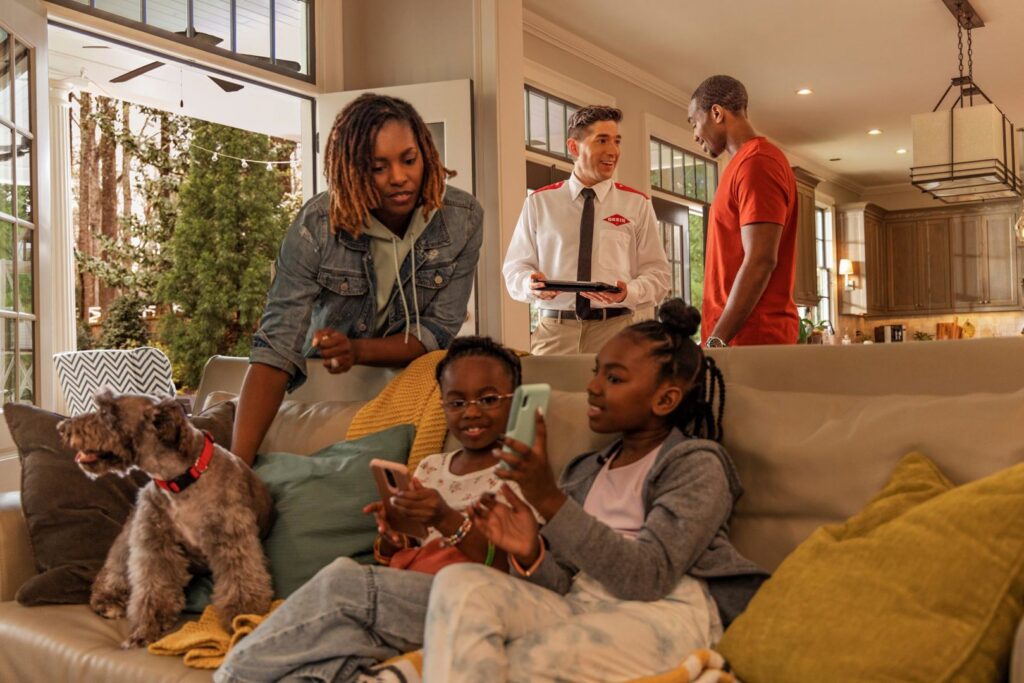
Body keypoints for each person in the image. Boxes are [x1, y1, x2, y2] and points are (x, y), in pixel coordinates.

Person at [421, 299, 768, 683]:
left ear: (665, 399)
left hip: (664, 611)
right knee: (459, 585)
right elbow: (562, 583)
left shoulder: (697, 465)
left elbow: (649, 576)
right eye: (596, 372)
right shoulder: (585, 471)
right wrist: (532, 553)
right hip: (581, 603)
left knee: (518, 662)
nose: (593, 386)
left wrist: (549, 500)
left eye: (614, 378)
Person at [216, 337, 538, 683]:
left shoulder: (523, 473)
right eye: (456, 402)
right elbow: (403, 552)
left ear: (517, 401)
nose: (471, 411)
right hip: (400, 599)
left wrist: (447, 520)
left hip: (461, 602)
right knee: (322, 664)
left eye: (488, 399)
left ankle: (232, 675)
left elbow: (512, 569)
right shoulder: (431, 466)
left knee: (342, 578)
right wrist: (392, 537)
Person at [231, 93, 483, 466]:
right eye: (378, 167)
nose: (399, 178)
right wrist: (235, 467)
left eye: (409, 160)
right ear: (351, 169)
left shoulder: (463, 218)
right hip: (326, 389)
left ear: (426, 154)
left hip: (410, 387)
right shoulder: (316, 227)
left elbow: (437, 332)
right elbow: (276, 349)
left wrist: (357, 350)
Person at [503, 105, 671, 355]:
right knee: (551, 396)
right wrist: (531, 285)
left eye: (617, 141)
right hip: (553, 334)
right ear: (574, 147)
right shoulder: (539, 203)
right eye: (602, 140)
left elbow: (659, 275)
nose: (613, 151)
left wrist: (628, 292)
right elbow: (515, 269)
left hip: (616, 332)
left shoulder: (637, 204)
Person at [687, 75, 799, 348]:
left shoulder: (757, 163)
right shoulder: (741, 165)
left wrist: (716, 341)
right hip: (738, 340)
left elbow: (761, 259)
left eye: (693, 122)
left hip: (753, 339)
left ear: (716, 113)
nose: (694, 133)